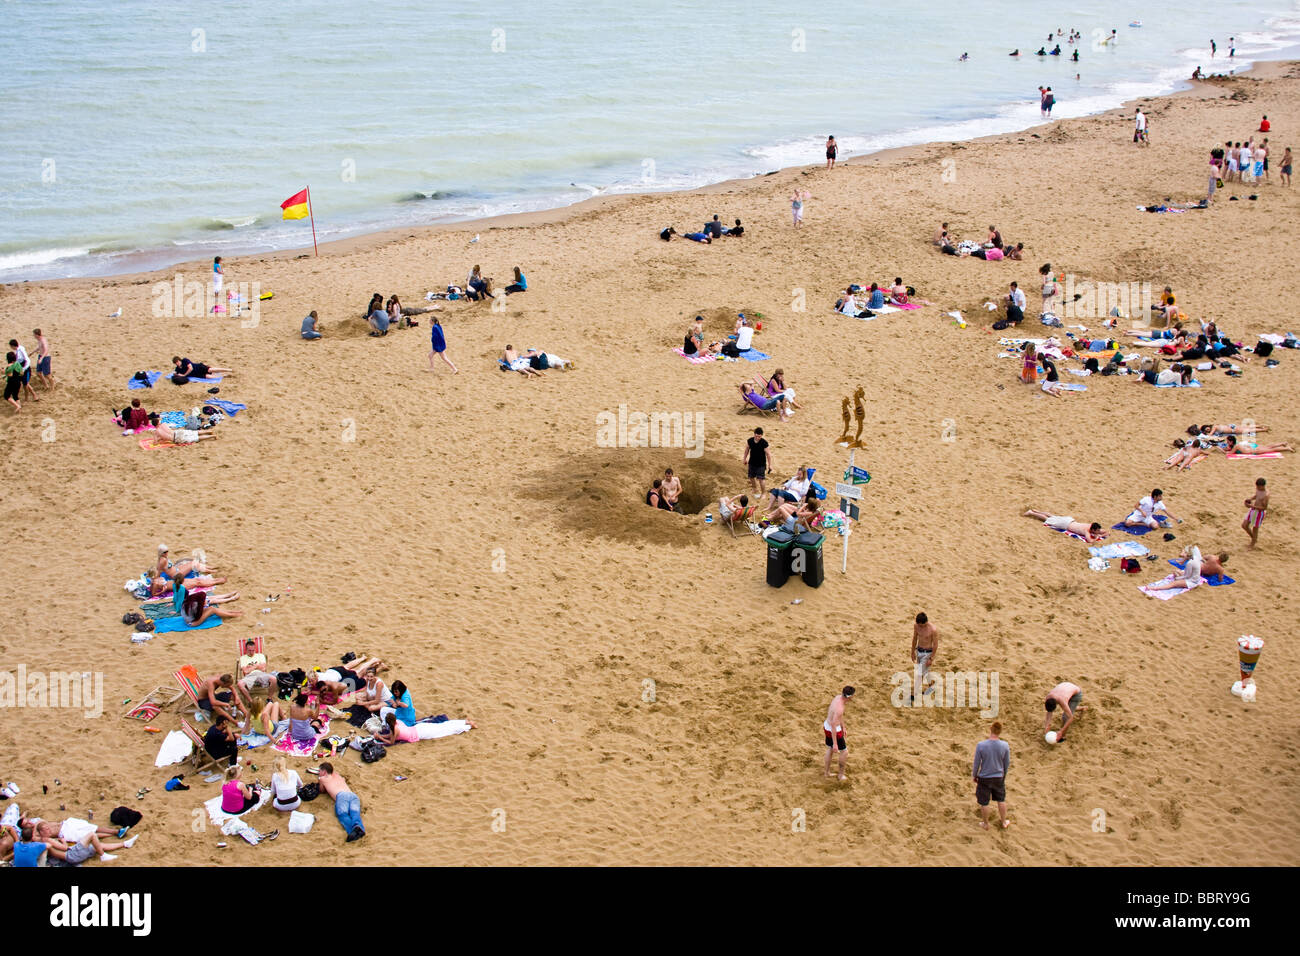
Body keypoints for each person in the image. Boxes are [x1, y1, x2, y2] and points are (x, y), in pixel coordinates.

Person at [972, 723, 1011, 830]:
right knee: (1001, 800)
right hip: (998, 776)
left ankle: (985, 823)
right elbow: (1006, 763)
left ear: (991, 729)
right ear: (1000, 731)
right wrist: (1004, 775)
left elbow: (976, 763)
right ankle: (1003, 821)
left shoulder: (981, 745)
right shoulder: (1005, 745)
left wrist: (974, 775)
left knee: (984, 802)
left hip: (984, 777)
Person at [318, 762, 365, 842]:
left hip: (341, 796)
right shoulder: (337, 775)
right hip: (353, 795)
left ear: (324, 772)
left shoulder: (322, 779)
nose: (319, 773)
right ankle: (359, 827)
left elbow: (321, 790)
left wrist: (319, 780)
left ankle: (352, 831)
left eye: (320, 771)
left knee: (342, 814)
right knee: (354, 813)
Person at [171, 571, 241, 624]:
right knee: (212, 603)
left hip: (188, 611)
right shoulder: (183, 589)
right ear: (183, 580)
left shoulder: (175, 585)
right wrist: (177, 610)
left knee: (211, 601)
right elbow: (197, 614)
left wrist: (173, 603)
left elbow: (176, 597)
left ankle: (230, 601)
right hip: (192, 622)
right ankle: (231, 600)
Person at [822, 687, 854, 781]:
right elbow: (833, 725)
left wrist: (843, 726)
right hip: (833, 730)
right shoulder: (839, 708)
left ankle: (826, 773)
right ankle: (841, 775)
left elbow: (839, 717)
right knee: (844, 752)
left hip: (826, 726)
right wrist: (835, 743)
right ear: (849, 697)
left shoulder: (837, 698)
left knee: (830, 749)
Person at [1023, 511, 1108, 542]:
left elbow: (1107, 532)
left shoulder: (1091, 526)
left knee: (1053, 517)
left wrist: (1101, 535)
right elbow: (1089, 540)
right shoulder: (1087, 530)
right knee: (1048, 520)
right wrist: (1097, 537)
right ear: (1093, 530)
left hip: (1070, 520)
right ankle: (1031, 513)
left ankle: (1036, 511)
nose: (1098, 532)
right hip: (1066, 525)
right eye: (1097, 531)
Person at [910, 612, 939, 702]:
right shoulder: (916, 626)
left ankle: (913, 694)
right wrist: (912, 652)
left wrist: (931, 658)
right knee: (924, 671)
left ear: (925, 622)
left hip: (927, 653)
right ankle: (932, 685)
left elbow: (935, 645)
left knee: (919, 674)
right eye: (919, 626)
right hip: (919, 651)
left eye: (922, 626)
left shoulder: (933, 630)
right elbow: (915, 638)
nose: (920, 628)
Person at [1242, 477, 1269, 549]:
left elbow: (1264, 508)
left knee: (1255, 528)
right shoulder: (1258, 490)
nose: (1257, 488)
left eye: (1258, 486)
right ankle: (1254, 538)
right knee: (1244, 525)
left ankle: (1253, 543)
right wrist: (1250, 499)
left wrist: (1252, 506)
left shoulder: (1266, 495)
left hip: (1258, 513)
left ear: (1262, 486)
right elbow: (1256, 495)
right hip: (1253, 510)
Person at [744, 427, 771, 495]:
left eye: (759, 436)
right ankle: (754, 488)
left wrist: (770, 465)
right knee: (751, 477)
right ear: (754, 434)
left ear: (761, 436)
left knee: (761, 479)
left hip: (761, 464)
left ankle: (763, 493)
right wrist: (744, 459)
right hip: (752, 462)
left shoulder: (764, 443)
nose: (758, 438)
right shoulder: (750, 441)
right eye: (756, 436)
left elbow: (768, 454)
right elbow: (746, 450)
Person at [7, 339, 36, 403]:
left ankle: (28, 398)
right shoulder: (19, 350)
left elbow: (27, 360)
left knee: (25, 384)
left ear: (12, 346)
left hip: (25, 369)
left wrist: (23, 369)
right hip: (21, 368)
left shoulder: (20, 350)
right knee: (25, 383)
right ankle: (33, 395)